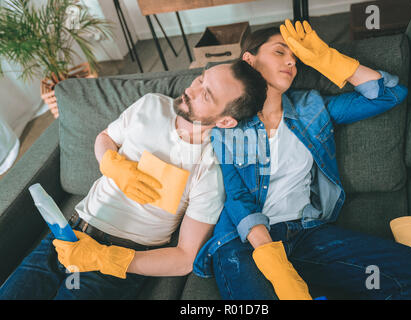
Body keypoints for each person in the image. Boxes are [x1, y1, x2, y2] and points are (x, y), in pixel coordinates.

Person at [193, 21, 411, 300]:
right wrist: (272, 259)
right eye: (280, 52)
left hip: (305, 234)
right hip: (244, 242)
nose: (291, 61)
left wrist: (327, 58)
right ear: (249, 59)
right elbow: (237, 196)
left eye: (296, 57)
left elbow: (390, 94)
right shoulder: (229, 121)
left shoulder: (311, 109)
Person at [0, 60, 267, 300]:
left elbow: (184, 258)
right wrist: (111, 163)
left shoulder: (210, 168)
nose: (191, 89)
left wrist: (106, 258)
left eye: (206, 95)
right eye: (201, 79)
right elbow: (105, 138)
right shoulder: (151, 104)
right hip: (69, 232)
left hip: (117, 262)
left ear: (226, 121)